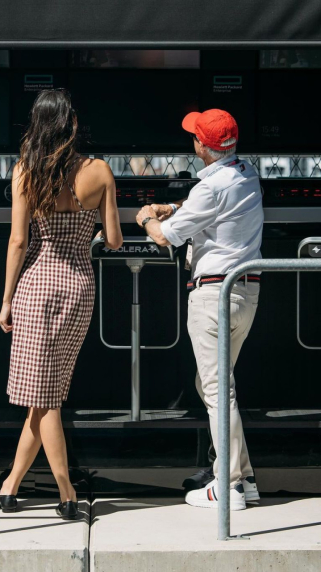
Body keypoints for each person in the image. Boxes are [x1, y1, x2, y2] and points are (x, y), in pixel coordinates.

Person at [0, 89, 123, 519]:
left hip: (38, 287)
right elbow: (113, 240)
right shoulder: (100, 171)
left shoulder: (24, 173)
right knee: (43, 394)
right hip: (79, 287)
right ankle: (11, 487)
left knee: (45, 396)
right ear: (71, 124)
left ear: (37, 126)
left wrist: (6, 299)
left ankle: (67, 493)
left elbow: (18, 241)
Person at [136, 109, 263, 511]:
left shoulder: (211, 188)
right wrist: (173, 206)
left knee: (216, 390)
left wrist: (145, 217)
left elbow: (163, 239)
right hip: (246, 293)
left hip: (214, 295)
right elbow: (206, 204)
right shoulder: (247, 173)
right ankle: (245, 478)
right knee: (215, 386)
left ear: (204, 146)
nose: (192, 140)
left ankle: (226, 487)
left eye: (195, 136)